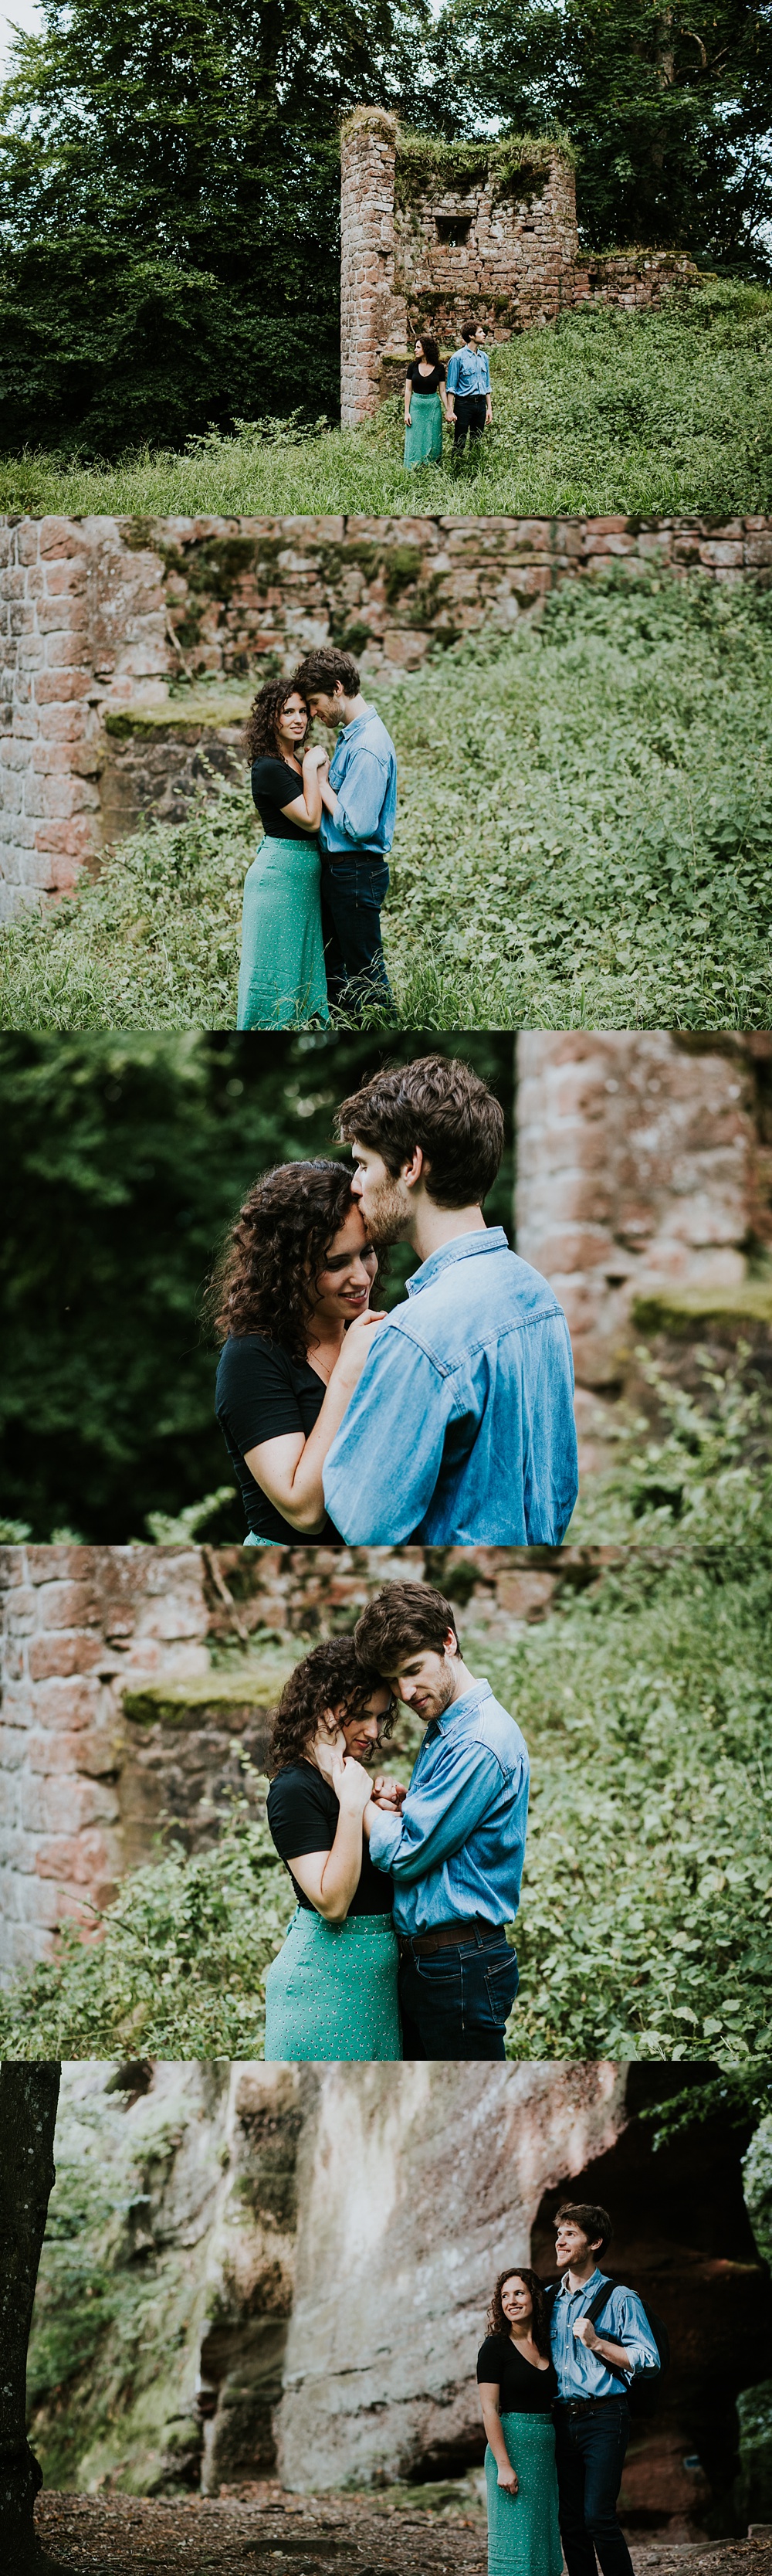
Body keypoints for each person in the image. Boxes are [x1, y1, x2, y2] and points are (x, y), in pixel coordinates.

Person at [321, 1054, 579, 1544]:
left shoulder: (418, 1334)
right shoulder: (539, 1297)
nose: (354, 1185)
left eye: (362, 1164)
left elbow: (362, 1520)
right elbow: (559, 1488)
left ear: (411, 1165)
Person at [354, 1582, 529, 2058]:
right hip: (437, 1963)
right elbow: (440, 1836)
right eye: (393, 1680)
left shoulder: (478, 1741)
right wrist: (403, 1805)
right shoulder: (448, 1729)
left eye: (413, 1671)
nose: (405, 1692)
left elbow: (408, 1854)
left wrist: (357, 1799)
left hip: (459, 1966)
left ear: (448, 1642)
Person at [210, 1159, 384, 1545]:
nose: (361, 1277)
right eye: (335, 1263)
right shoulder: (251, 1358)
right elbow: (304, 1511)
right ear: (288, 1267)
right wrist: (348, 1373)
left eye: (367, 1252)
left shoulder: (374, 1334)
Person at [263, 1639, 401, 2059]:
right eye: (359, 1715)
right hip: (322, 1990)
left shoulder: (340, 1779)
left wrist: (385, 1810)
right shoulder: (292, 1789)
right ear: (322, 1709)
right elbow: (332, 1901)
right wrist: (353, 1802)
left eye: (379, 1716)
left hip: (372, 1990)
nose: (373, 1732)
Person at [549, 2202, 661, 2576]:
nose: (559, 2241)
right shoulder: (548, 2299)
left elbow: (649, 2360)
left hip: (605, 2418)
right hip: (560, 2422)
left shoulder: (621, 2298)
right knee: (572, 2523)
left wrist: (598, 2343)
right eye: (559, 2233)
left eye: (570, 2234)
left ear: (595, 2242)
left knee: (597, 2516)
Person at [292, 647, 397, 1021]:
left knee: (367, 977)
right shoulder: (353, 736)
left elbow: (359, 824)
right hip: (343, 871)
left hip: (356, 870)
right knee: (338, 975)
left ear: (338, 688)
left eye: (316, 703)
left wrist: (319, 782)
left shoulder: (368, 745)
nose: (314, 714)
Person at [238, 677, 330, 1028]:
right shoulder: (268, 767)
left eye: (304, 711)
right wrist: (310, 768)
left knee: (302, 970)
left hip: (303, 881)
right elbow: (310, 820)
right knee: (273, 974)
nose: (299, 719)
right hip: (278, 881)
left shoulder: (293, 761)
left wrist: (308, 766)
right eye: (287, 711)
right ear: (270, 718)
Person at [477, 2268, 563, 2576]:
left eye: (518, 2293)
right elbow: (489, 2409)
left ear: (534, 2298)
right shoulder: (495, 2347)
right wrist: (503, 2464)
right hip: (511, 2449)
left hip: (545, 2453)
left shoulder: (548, 2344)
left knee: (544, 2540)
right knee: (514, 2547)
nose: (510, 2301)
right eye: (504, 2296)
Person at [445, 321, 493, 464]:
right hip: (463, 405)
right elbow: (451, 387)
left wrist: (489, 408)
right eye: (480, 332)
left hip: (480, 405)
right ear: (471, 336)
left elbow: (487, 385)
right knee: (460, 440)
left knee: (476, 440)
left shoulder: (484, 357)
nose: (484, 334)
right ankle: (456, 470)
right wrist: (449, 410)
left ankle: (474, 470)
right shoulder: (457, 358)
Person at [403, 332, 449, 470]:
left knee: (433, 438)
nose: (415, 350)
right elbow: (408, 390)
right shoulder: (412, 367)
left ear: (426, 349)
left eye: (418, 347)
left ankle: (432, 469)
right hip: (416, 406)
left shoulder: (439, 368)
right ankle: (412, 469)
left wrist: (449, 410)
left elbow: (442, 391)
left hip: (433, 406)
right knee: (414, 439)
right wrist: (407, 412)